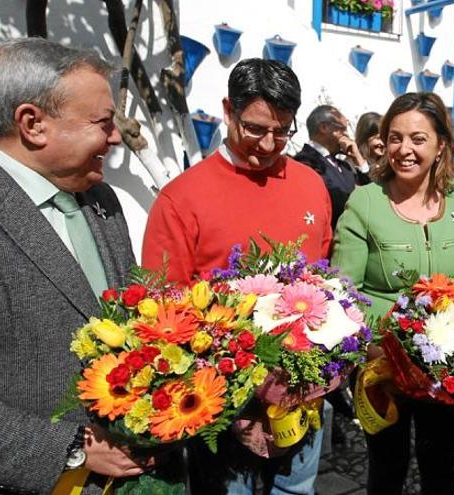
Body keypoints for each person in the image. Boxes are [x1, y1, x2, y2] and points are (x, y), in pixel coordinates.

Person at [0, 38, 147, 494]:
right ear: (33, 124)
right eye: (102, 123)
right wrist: (73, 448)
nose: (117, 136)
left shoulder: (99, 198)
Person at [141, 58, 332, 495]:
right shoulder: (181, 199)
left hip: (304, 390)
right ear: (228, 111)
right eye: (255, 128)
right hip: (224, 404)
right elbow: (163, 309)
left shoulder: (310, 185)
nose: (268, 144)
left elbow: (324, 278)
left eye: (282, 131)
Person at [331, 92, 454, 494]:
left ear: (441, 146)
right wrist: (382, 350)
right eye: (395, 138)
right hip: (382, 365)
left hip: (445, 365)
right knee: (387, 466)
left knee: (439, 465)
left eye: (418, 139)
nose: (404, 149)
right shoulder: (366, 202)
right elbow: (342, 292)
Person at [295, 105, 370, 228]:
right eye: (342, 129)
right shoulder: (306, 162)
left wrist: (359, 159)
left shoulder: (344, 166)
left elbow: (370, 195)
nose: (347, 135)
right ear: (324, 127)